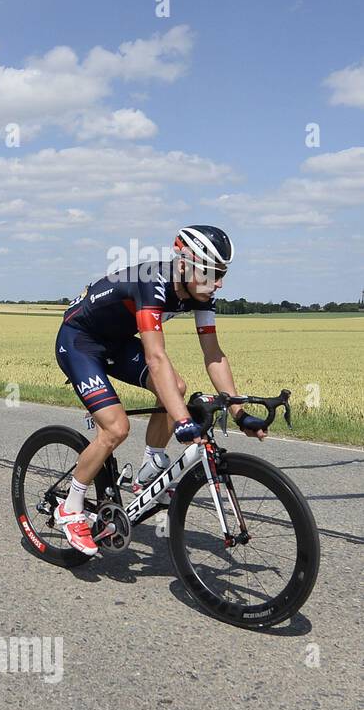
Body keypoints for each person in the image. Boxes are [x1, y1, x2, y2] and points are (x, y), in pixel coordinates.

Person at [52, 224, 266, 555]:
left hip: (117, 342)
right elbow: (155, 357)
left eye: (223, 273)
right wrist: (183, 422)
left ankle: (150, 466)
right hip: (80, 340)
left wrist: (239, 411)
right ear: (184, 264)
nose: (219, 282)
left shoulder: (201, 293)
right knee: (115, 428)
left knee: (175, 388)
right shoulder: (153, 282)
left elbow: (213, 354)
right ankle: (70, 506)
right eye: (211, 272)